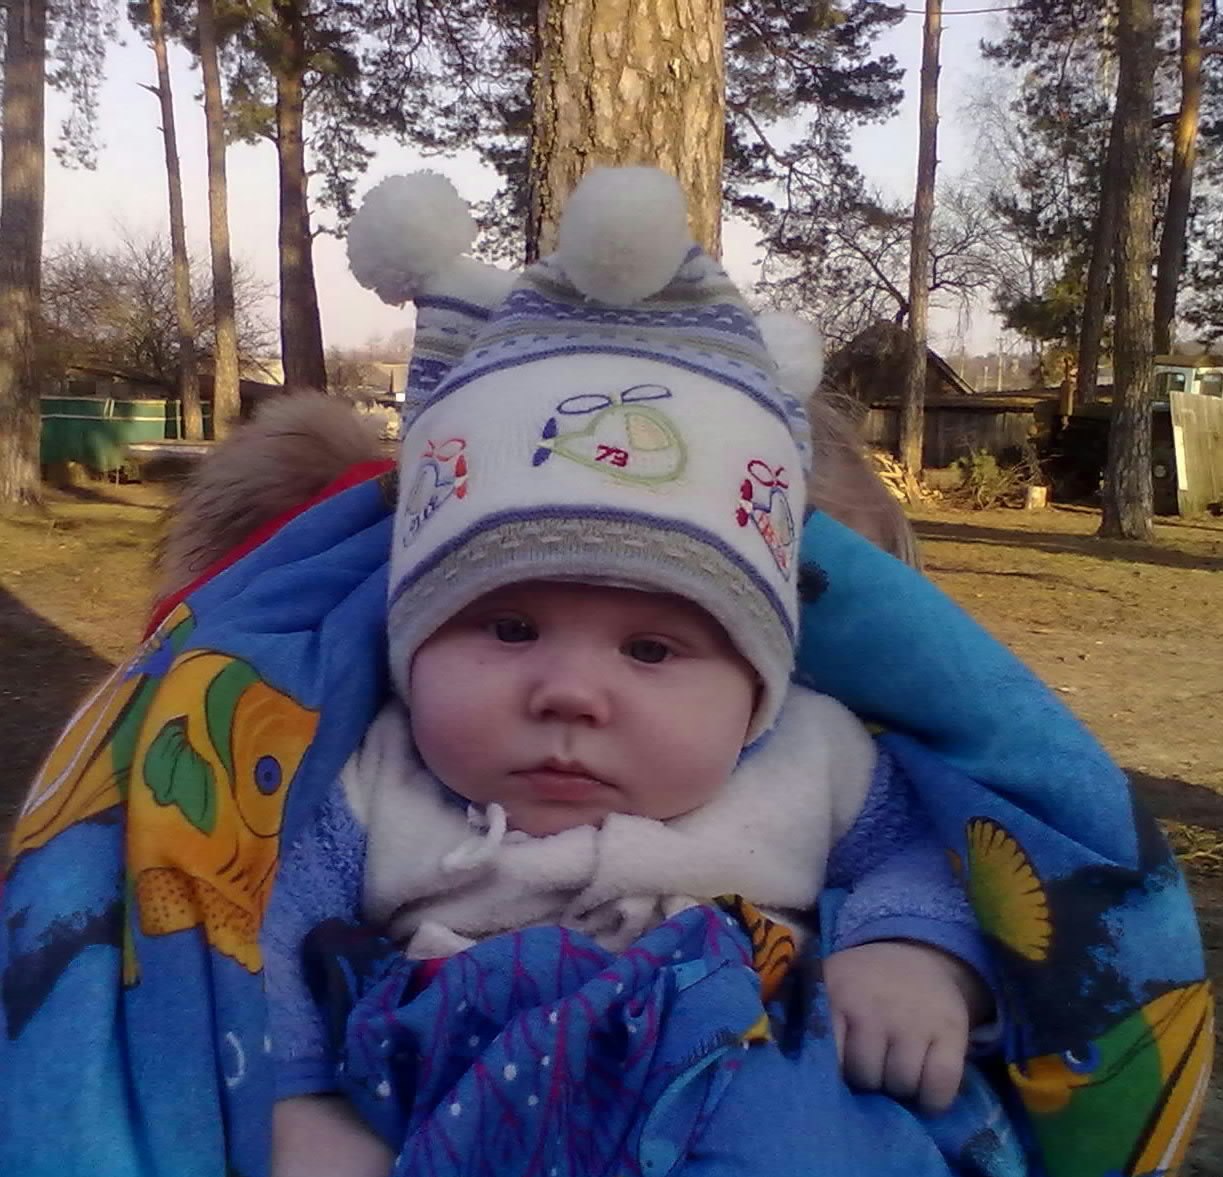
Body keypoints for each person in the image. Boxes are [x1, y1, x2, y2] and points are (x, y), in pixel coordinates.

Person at [261, 166, 1002, 1177]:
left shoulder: (815, 760)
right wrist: (298, 1093)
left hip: (750, 1092)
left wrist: (912, 952)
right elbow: (259, 919)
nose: (568, 691)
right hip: (454, 1101)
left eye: (651, 649)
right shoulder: (373, 775)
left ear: (758, 685)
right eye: (509, 626)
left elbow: (945, 853)